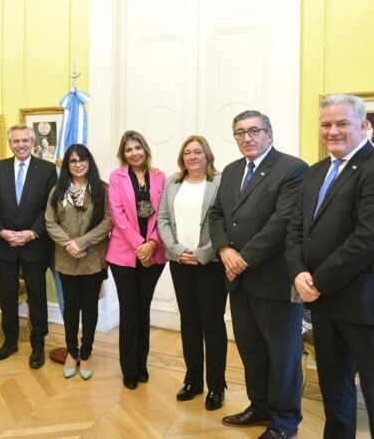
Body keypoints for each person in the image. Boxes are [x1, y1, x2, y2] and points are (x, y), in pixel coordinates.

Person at [287, 94, 374, 439]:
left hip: (371, 306)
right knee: (335, 393)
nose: (333, 131)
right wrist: (298, 271)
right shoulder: (314, 173)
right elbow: (297, 229)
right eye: (326, 124)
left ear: (365, 126)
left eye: (342, 123)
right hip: (326, 305)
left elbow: (369, 240)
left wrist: (318, 281)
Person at [208, 110, 307, 439]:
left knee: (283, 355)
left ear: (270, 134)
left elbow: (283, 222)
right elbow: (217, 213)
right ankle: (259, 406)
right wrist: (224, 249)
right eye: (239, 132)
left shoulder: (292, 169)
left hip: (274, 281)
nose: (247, 137)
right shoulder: (232, 170)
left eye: (254, 131)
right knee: (251, 350)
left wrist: (244, 258)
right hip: (239, 281)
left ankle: (285, 422)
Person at [157, 135, 227, 411]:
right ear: (182, 157)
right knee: (188, 322)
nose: (193, 157)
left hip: (210, 264)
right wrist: (175, 250)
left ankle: (217, 386)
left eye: (198, 152)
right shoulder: (173, 182)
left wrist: (203, 254)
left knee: (212, 324)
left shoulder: (220, 182)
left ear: (207, 155)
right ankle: (193, 381)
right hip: (179, 263)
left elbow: (224, 221)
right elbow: (163, 218)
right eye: (188, 152)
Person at [0, 124, 57, 368]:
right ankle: (11, 341)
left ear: (33, 142)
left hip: (34, 245)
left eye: (25, 140)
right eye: (16, 141)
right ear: (10, 143)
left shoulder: (48, 170)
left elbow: (50, 207)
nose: (21, 145)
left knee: (37, 297)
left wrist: (32, 233)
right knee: (7, 296)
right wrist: (2, 231)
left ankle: (38, 345)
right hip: (5, 244)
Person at [106, 130, 167, 390]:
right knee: (129, 310)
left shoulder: (160, 176)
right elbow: (117, 216)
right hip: (123, 254)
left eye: (137, 148)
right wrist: (140, 245)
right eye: (129, 149)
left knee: (143, 308)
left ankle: (142, 364)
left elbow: (164, 213)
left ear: (145, 149)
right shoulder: (116, 178)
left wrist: (152, 243)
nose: (134, 153)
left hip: (155, 252)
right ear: (123, 153)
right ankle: (129, 368)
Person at [45, 144, 112, 379]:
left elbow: (108, 222)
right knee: (71, 308)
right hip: (65, 260)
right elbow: (50, 222)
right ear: (67, 165)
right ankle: (71, 352)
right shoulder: (58, 190)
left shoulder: (102, 190)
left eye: (82, 160)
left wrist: (81, 243)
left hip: (92, 259)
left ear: (89, 162)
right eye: (72, 161)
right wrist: (68, 244)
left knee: (90, 307)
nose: (78, 164)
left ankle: (86, 352)